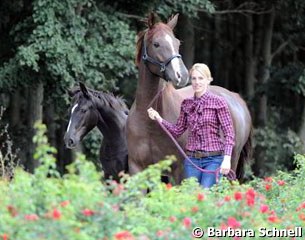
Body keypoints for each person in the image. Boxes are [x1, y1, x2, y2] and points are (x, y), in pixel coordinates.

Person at [147, 63, 235, 188]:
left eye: (201, 78)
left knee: (205, 194)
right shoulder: (186, 104)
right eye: (194, 78)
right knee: (191, 196)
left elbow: (229, 133)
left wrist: (227, 158)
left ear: (208, 80)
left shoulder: (218, 102)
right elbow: (177, 130)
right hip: (192, 160)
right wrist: (159, 119)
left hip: (214, 159)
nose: (197, 82)